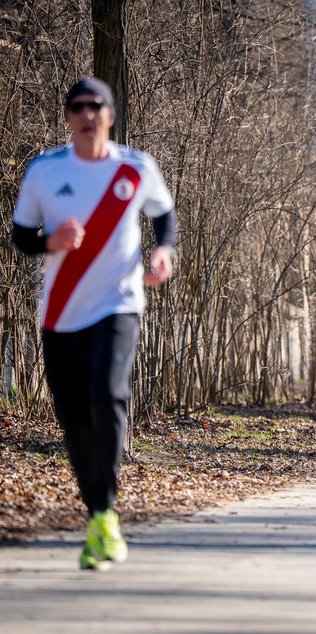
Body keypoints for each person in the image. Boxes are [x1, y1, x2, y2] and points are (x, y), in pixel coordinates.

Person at [10, 77, 177, 570]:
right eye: (78, 107)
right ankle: (99, 514)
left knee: (106, 392)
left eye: (96, 107)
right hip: (60, 313)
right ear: (68, 117)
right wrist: (50, 242)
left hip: (119, 302)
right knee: (74, 417)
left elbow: (163, 214)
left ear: (109, 115)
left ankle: (104, 513)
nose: (87, 115)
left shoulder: (135, 167)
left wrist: (163, 250)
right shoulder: (44, 171)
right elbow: (20, 237)